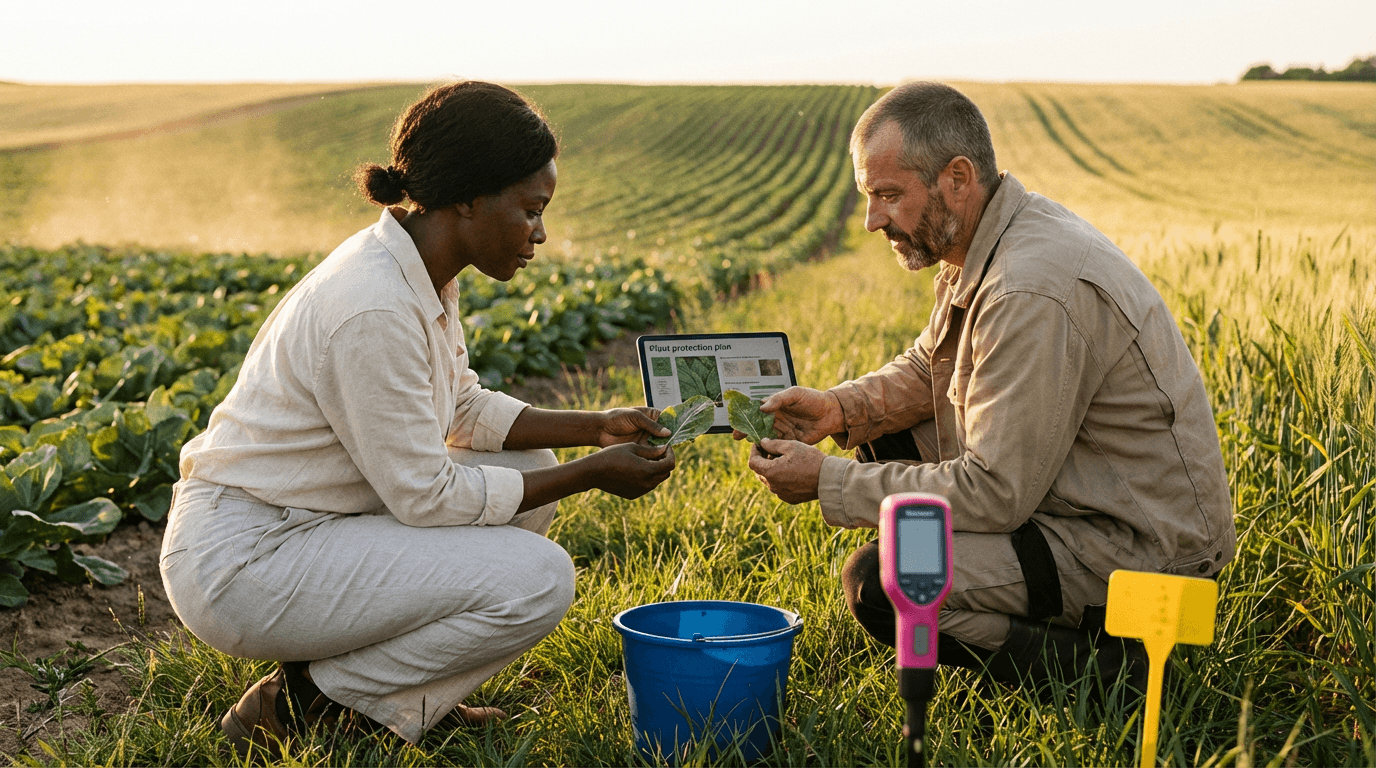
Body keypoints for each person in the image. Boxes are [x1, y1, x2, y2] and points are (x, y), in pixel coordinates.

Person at [160, 81, 676, 757]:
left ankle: (403, 700)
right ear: (468, 198)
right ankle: (303, 705)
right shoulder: (371, 306)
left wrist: (596, 425)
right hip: (248, 560)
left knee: (523, 465)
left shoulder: (417, 268)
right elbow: (426, 497)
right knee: (538, 578)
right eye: (531, 209)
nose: (540, 234)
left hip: (307, 522)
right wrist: (592, 475)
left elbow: (459, 406)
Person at [743, 82, 1235, 702]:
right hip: (1078, 492)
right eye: (870, 197)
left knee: (886, 581)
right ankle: (1035, 624)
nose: (872, 221)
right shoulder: (988, 237)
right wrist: (842, 409)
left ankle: (1112, 675)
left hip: (1142, 548)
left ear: (956, 178)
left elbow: (996, 491)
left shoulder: (1028, 289)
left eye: (889, 195)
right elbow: (932, 365)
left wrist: (824, 481)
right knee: (882, 436)